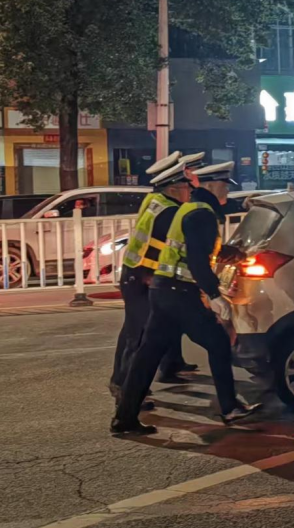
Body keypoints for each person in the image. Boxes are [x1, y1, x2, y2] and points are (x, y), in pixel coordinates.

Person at [111, 162, 261, 435]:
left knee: (148, 354)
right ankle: (230, 408)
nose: (227, 191)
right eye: (225, 186)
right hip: (180, 292)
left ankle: (124, 417)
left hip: (162, 289)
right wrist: (215, 295)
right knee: (218, 342)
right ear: (212, 186)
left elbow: (194, 250)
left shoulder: (189, 209)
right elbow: (196, 259)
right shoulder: (201, 214)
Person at [108, 153, 203, 407]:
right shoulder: (169, 212)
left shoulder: (157, 201)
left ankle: (127, 383)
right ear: (173, 188)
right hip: (142, 278)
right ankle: (126, 392)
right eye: (186, 186)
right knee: (138, 337)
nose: (190, 191)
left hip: (138, 276)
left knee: (139, 333)